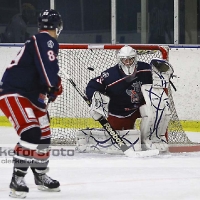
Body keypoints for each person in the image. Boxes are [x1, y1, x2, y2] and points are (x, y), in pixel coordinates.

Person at [0, 9, 63, 198]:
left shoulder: (39, 41)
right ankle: (17, 178)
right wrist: (53, 84)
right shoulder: (46, 40)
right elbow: (47, 68)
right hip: (15, 94)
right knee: (31, 132)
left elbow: (40, 69)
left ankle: (40, 175)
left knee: (44, 137)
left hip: (33, 96)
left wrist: (51, 88)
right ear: (59, 26)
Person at [81, 45, 173, 154]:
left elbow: (160, 79)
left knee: (157, 107)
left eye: (131, 59)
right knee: (120, 139)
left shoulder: (145, 69)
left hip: (138, 107)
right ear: (120, 60)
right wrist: (95, 102)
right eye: (125, 60)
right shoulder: (110, 75)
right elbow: (92, 86)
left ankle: (151, 140)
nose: (128, 62)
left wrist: (163, 73)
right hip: (119, 112)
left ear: (135, 58)